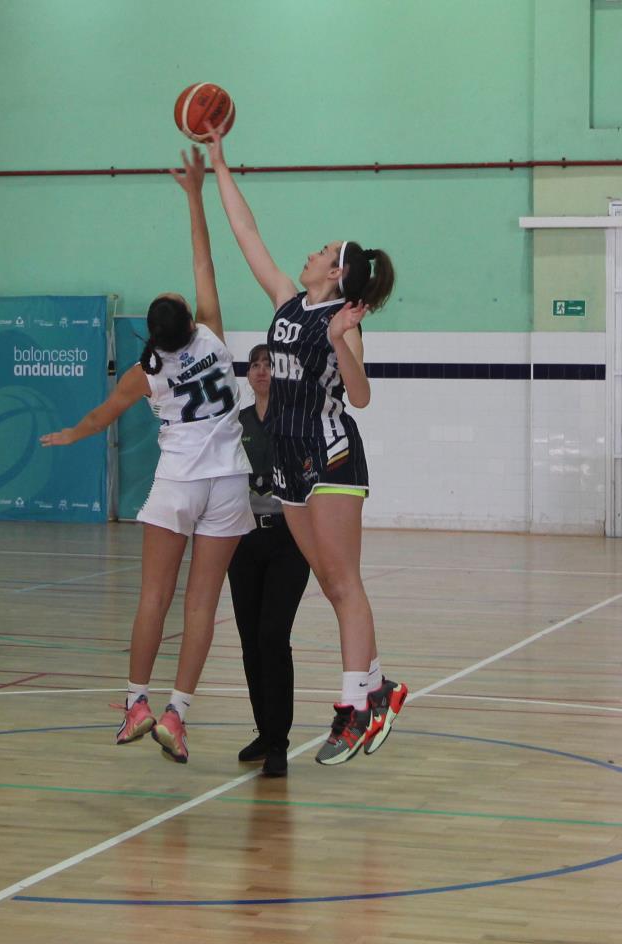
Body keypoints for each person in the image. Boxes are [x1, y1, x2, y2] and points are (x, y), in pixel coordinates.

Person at [41, 146, 253, 764]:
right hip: (229, 483)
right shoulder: (214, 334)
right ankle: (176, 715)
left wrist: (70, 437)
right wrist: (194, 195)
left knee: (153, 600)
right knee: (202, 605)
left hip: (177, 484)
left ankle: (136, 701)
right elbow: (205, 257)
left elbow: (99, 417)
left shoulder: (144, 374)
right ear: (188, 318)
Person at [207, 127, 408, 765]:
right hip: (290, 461)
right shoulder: (287, 302)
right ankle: (378, 689)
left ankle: (354, 709)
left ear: (337, 270)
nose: (310, 252)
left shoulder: (340, 320)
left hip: (334, 454)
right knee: (328, 578)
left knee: (344, 582)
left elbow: (361, 396)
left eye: (322, 250)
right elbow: (245, 232)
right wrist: (217, 159)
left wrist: (348, 338)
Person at [228, 344, 311, 778]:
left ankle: (279, 741)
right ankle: (264, 730)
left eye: (268, 365)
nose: (261, 371)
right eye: (255, 365)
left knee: (273, 636)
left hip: (288, 542)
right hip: (242, 542)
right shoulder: (235, 424)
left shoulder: (295, 423)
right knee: (249, 640)